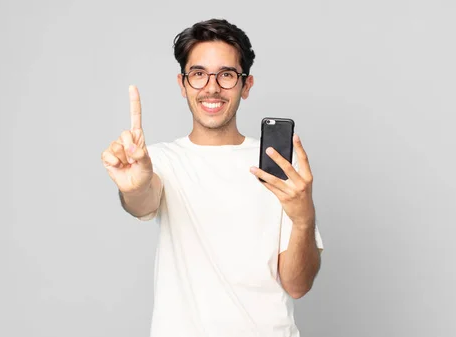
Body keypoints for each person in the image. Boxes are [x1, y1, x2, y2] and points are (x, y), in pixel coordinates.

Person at [101, 18, 323, 337]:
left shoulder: (279, 165)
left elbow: (298, 285)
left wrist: (304, 220)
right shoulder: (158, 161)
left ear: (246, 86)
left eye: (227, 75)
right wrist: (135, 187)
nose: (212, 87)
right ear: (182, 84)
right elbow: (142, 199)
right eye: (199, 74)